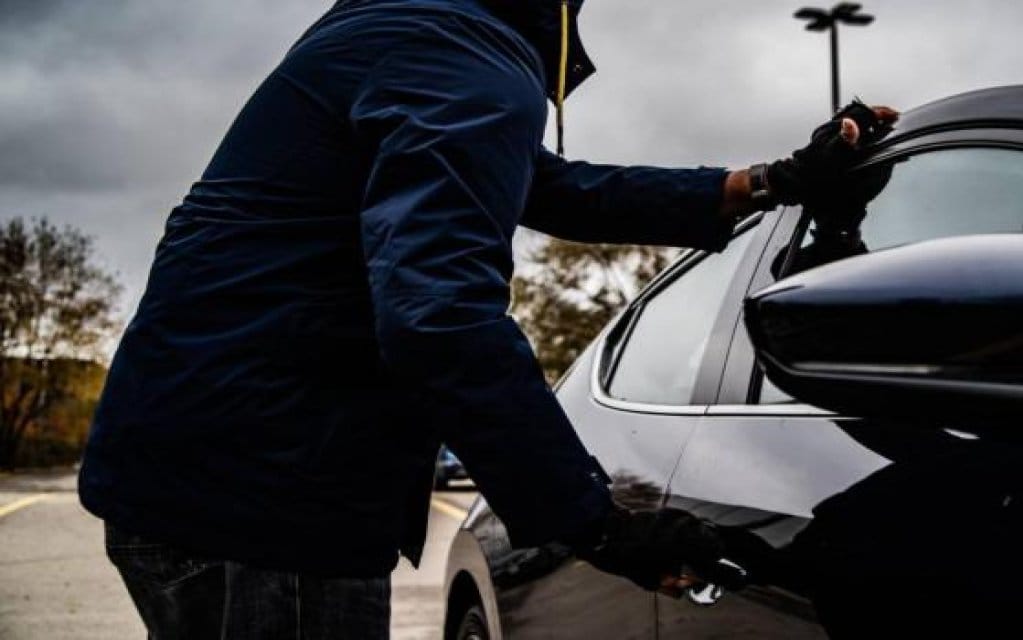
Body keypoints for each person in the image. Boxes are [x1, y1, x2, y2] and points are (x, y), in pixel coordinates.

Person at [77, 0, 898, 636]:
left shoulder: (411, 30)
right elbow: (439, 315)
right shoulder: (461, 55)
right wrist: (596, 523)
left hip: (193, 465)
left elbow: (555, 187)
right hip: (266, 499)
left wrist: (768, 182)